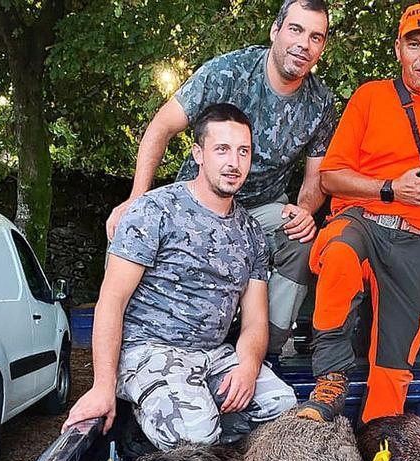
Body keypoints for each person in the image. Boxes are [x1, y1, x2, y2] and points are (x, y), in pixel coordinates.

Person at [296, 0, 420, 423]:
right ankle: (331, 383)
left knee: (399, 349)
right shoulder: (370, 96)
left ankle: (380, 433)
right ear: (398, 50)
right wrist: (390, 188)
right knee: (338, 257)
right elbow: (331, 176)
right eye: (414, 44)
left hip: (415, 238)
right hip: (361, 221)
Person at [105, 0, 336, 356]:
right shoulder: (228, 72)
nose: (304, 43)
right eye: (296, 29)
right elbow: (161, 128)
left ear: (322, 47)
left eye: (315, 37)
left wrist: (305, 210)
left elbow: (315, 176)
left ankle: (264, 349)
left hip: (260, 208)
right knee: (132, 233)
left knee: (302, 238)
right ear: (275, 31)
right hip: (198, 200)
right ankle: (130, 354)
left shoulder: (320, 102)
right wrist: (137, 197)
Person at [64, 103, 296, 448]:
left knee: (282, 408)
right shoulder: (153, 211)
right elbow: (111, 303)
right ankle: (150, 429)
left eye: (243, 151)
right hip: (150, 351)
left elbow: (254, 323)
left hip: (213, 354)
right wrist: (101, 386)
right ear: (198, 154)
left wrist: (248, 366)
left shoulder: (250, 232)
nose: (233, 162)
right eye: (222, 150)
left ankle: (205, 443)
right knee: (195, 436)